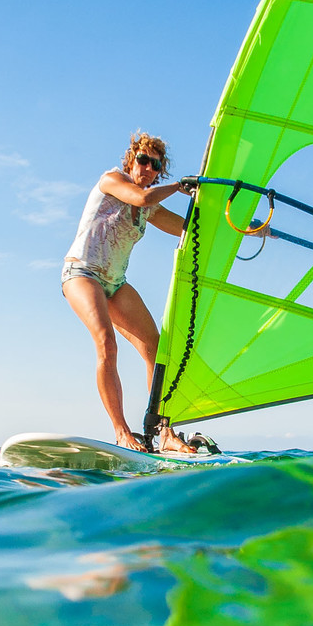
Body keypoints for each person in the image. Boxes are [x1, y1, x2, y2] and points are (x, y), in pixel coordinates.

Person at [61, 133, 202, 453]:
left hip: (116, 283)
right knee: (106, 341)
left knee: (156, 349)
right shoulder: (112, 180)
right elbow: (141, 198)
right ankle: (122, 432)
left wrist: (248, 224)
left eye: (156, 165)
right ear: (131, 160)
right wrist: (181, 187)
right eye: (143, 160)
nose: (148, 167)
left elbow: (191, 227)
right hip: (81, 272)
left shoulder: (149, 208)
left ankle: (164, 432)